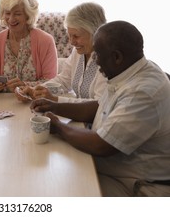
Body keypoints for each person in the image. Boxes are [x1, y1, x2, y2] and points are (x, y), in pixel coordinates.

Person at [30, 20, 170, 196]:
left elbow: (101, 145)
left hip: (136, 184)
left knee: (60, 190)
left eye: (97, 54)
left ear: (116, 57)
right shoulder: (130, 70)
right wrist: (55, 107)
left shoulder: (143, 92)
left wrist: (58, 127)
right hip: (116, 170)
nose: (94, 61)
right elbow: (99, 107)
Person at [16, 2, 107, 103]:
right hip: (79, 116)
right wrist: (36, 90)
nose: (71, 42)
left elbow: (99, 105)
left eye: (76, 36)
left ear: (94, 32)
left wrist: (55, 99)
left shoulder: (107, 60)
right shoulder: (78, 52)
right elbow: (63, 80)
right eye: (69, 35)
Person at [0, 0, 58, 93]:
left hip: (36, 102)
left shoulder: (46, 41)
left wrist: (25, 85)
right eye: (7, 13)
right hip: (2, 104)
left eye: (17, 14)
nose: (11, 19)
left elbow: (51, 83)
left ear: (28, 15)